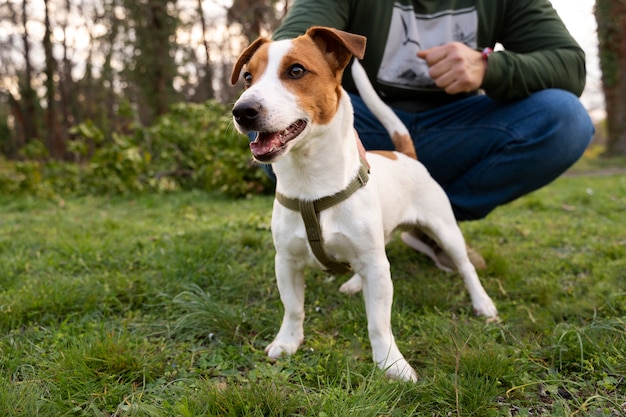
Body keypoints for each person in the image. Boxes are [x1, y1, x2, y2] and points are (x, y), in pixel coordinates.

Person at [263, 0, 594, 269]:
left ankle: (432, 222)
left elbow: (569, 64)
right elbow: (289, 41)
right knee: (273, 127)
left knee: (566, 119)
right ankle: (350, 226)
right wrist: (338, 128)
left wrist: (489, 67)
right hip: (363, 124)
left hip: (461, 127)